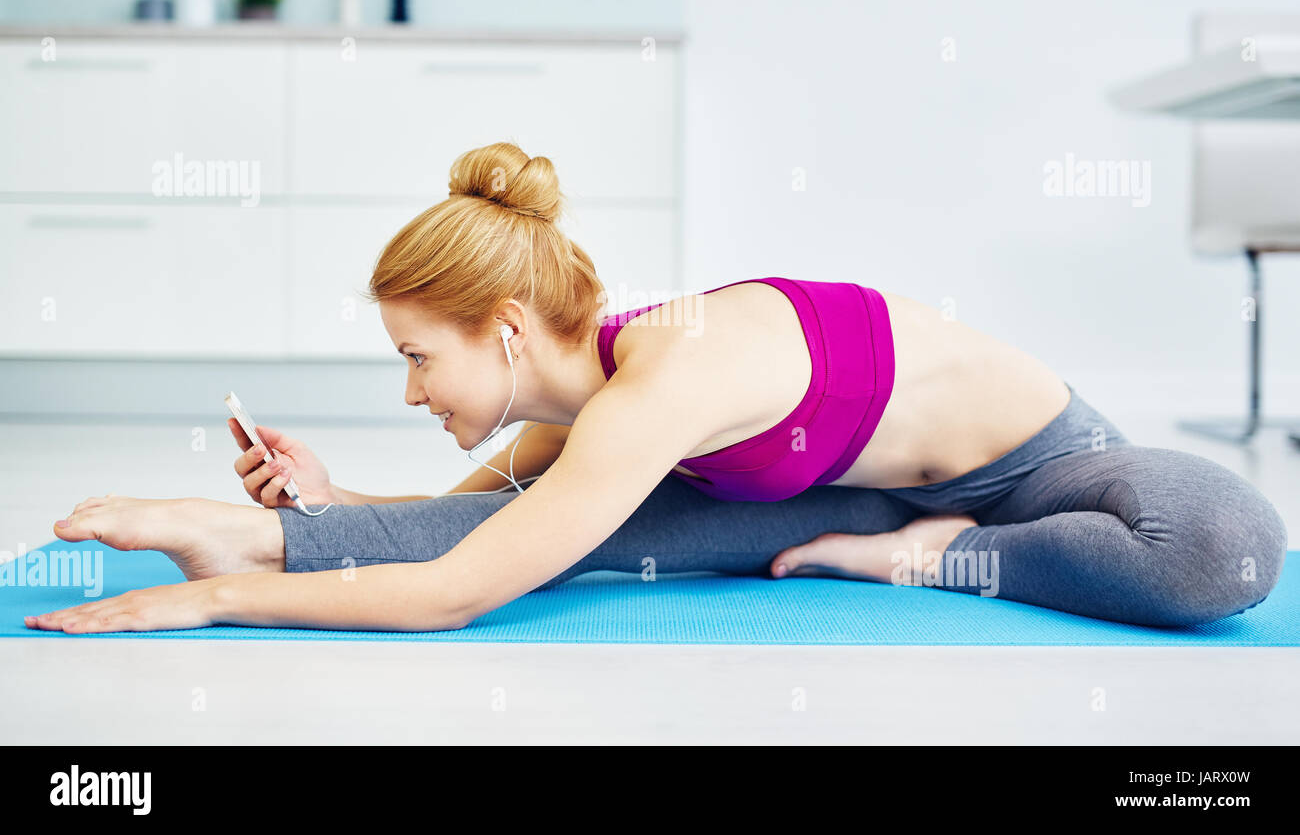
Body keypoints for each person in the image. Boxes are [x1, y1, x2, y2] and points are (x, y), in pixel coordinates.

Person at [31, 142, 1288, 635]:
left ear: (508, 329)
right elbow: (490, 530)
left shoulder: (669, 380)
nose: (412, 388)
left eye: (420, 355)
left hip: (1039, 469)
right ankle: (230, 528)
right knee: (563, 542)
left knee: (1223, 551)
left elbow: (456, 593)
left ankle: (923, 556)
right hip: (838, 498)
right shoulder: (597, 409)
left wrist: (210, 614)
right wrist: (306, 512)